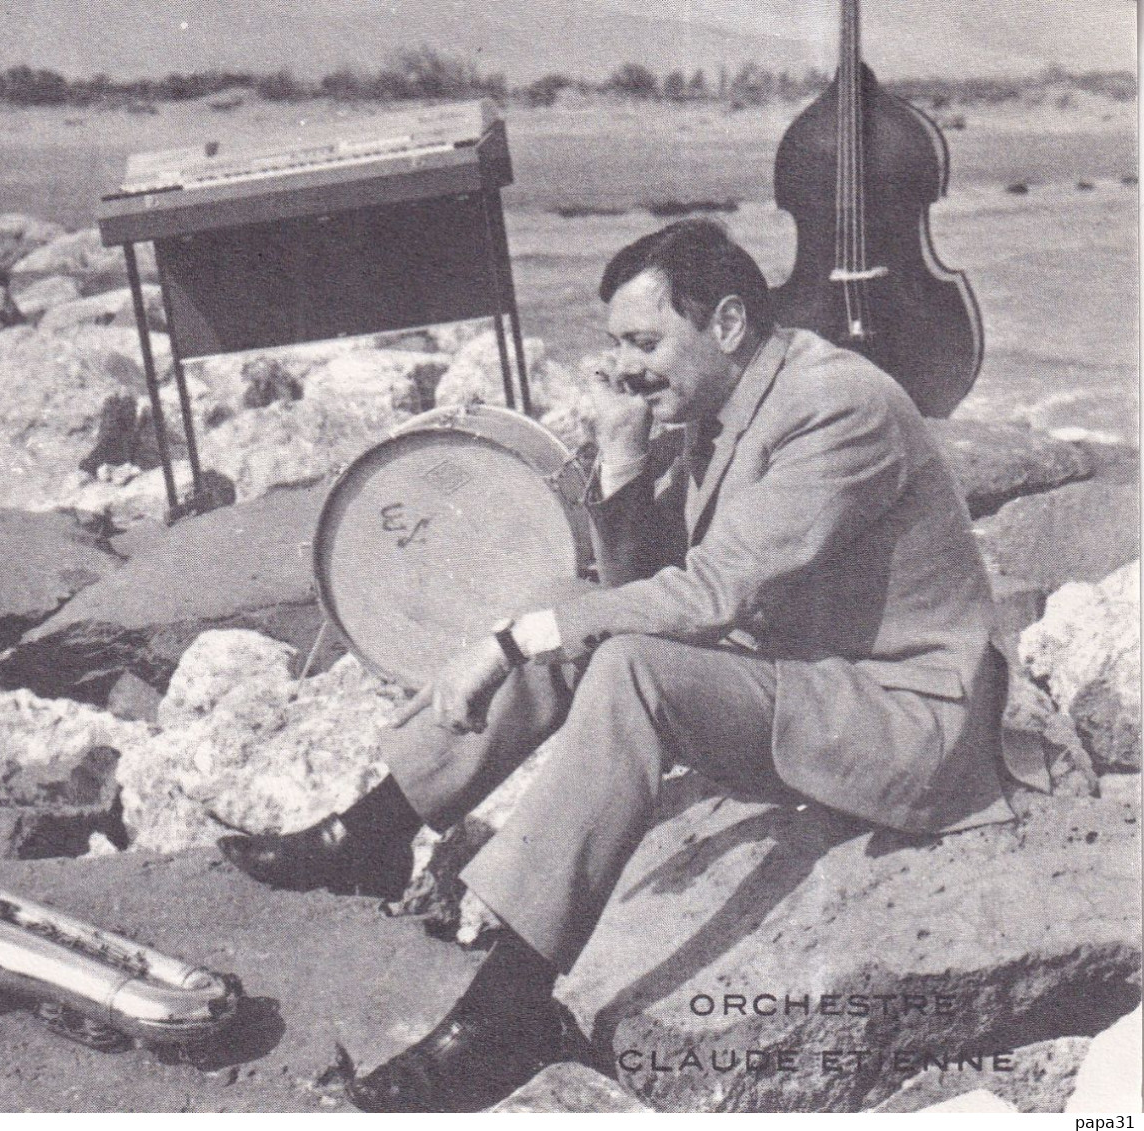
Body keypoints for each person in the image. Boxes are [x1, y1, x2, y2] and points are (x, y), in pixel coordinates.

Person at [218, 218, 1022, 1112]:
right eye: (614, 345)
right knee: (570, 600)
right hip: (806, 676)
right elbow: (642, 585)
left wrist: (512, 639)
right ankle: (371, 831)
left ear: (723, 321)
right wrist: (623, 460)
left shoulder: (836, 404)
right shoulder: (732, 397)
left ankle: (507, 1012)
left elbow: (706, 594)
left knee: (611, 655)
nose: (627, 367)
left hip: (899, 715)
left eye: (644, 342)